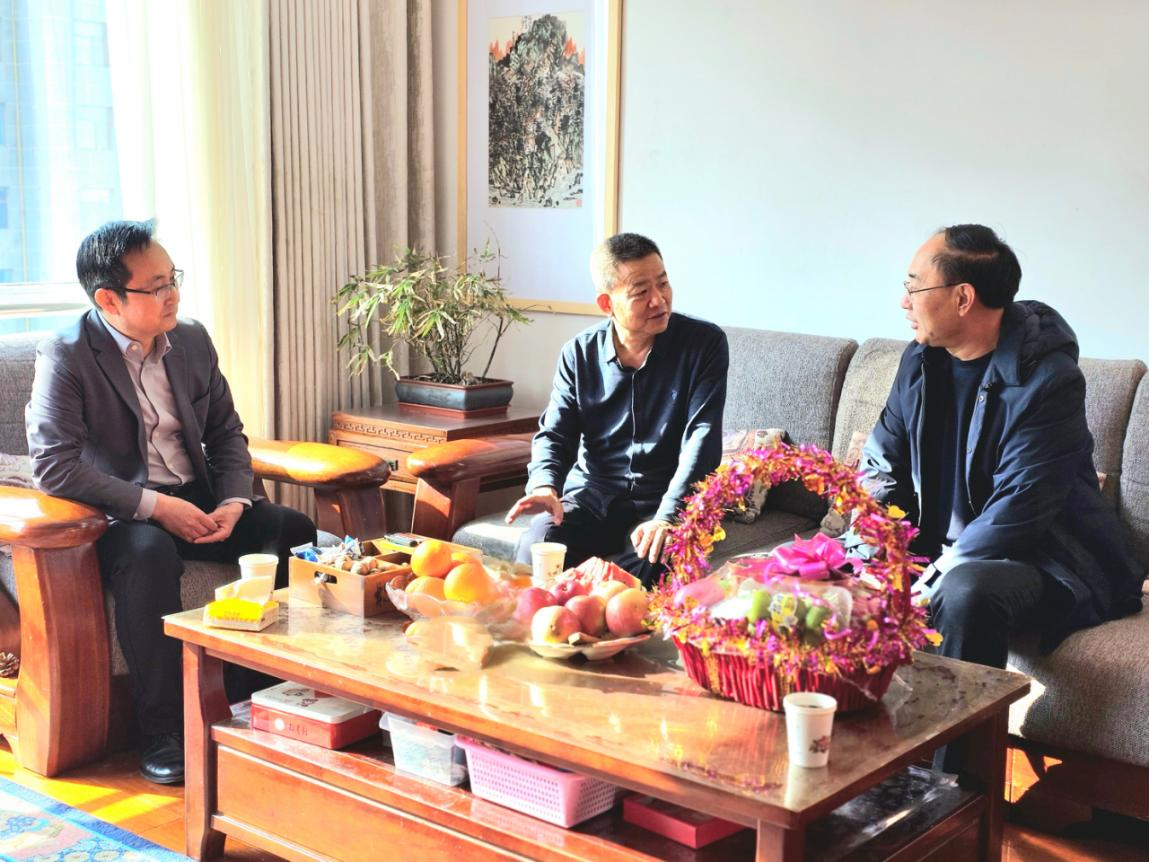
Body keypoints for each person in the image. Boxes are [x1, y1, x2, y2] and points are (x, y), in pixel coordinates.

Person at [25, 220, 316, 785]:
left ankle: (260, 699)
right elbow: (55, 467)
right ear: (109, 299)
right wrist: (157, 509)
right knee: (149, 554)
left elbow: (226, 432)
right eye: (155, 286)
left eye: (173, 278)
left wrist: (234, 501)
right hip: (123, 513)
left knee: (292, 529)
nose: (172, 294)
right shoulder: (66, 354)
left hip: (200, 498)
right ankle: (164, 730)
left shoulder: (192, 340)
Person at [862, 224, 1143, 677]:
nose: (904, 301)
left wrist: (930, 579)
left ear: (963, 298)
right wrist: (869, 548)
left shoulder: (1049, 380)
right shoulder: (919, 360)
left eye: (914, 287)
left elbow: (1020, 508)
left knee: (964, 590)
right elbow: (881, 467)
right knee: (819, 572)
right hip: (938, 548)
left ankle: (959, 727)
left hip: (1036, 555)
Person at [505, 232, 728, 587]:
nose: (659, 300)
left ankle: (597, 612)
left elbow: (702, 438)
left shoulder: (704, 344)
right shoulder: (579, 354)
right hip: (592, 494)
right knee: (539, 548)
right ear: (606, 304)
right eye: (641, 292)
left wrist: (669, 516)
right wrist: (545, 485)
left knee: (649, 567)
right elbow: (555, 433)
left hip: (661, 498)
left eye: (663, 283)